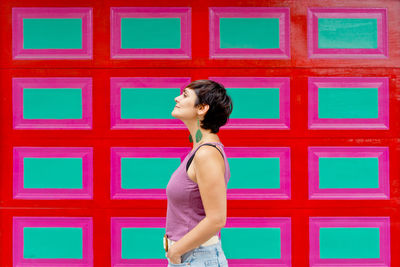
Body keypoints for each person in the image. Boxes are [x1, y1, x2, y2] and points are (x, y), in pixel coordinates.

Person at [164, 79, 233, 266]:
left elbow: (217, 219)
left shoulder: (207, 154)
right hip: (190, 257)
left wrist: (175, 251)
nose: (176, 98)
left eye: (185, 95)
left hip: (196, 258)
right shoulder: (199, 150)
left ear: (202, 109)